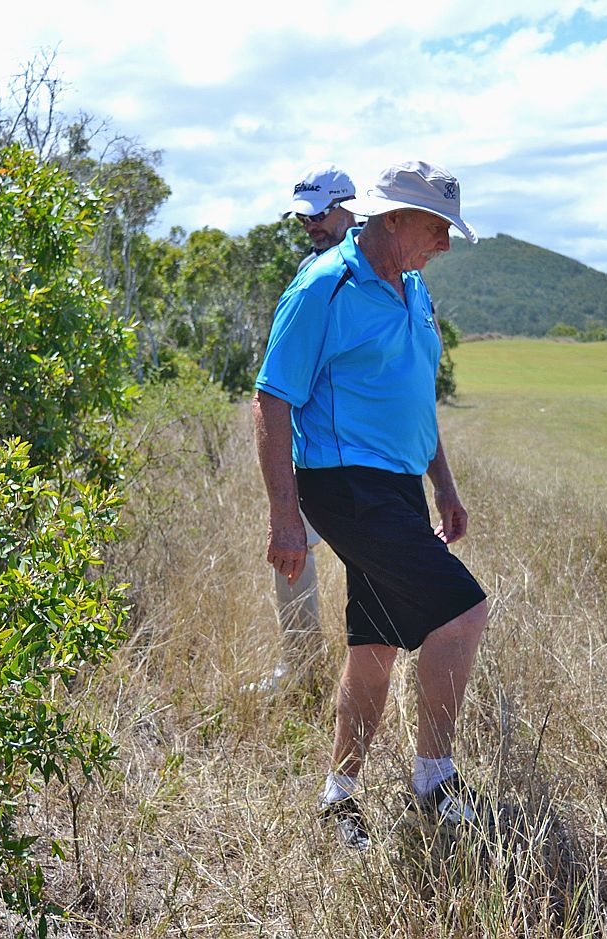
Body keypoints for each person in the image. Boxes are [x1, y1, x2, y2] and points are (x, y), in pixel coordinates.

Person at [253, 160, 490, 850]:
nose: (445, 242)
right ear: (392, 219)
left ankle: (339, 794)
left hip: (397, 486)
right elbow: (271, 397)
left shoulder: (412, 289)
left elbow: (416, 396)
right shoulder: (324, 287)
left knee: (376, 642)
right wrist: (284, 515)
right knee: (461, 609)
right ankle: (433, 779)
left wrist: (442, 484)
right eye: (436, 226)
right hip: (342, 482)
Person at [250, 163, 360, 695]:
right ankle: (302, 668)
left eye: (320, 215)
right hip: (312, 451)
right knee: (290, 553)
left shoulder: (367, 267)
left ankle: (361, 673)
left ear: (348, 206)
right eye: (304, 218)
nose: (311, 225)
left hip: (359, 457)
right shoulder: (312, 267)